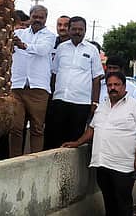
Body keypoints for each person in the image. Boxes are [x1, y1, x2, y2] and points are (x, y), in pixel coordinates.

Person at [62, 71, 136, 216]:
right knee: (109, 204)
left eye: (116, 84)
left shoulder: (135, 107)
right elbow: (92, 129)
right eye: (109, 85)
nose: (112, 88)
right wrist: (77, 143)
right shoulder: (102, 106)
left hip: (123, 167)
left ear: (124, 85)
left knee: (123, 205)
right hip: (102, 164)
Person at [44, 16, 103, 149]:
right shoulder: (61, 48)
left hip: (81, 104)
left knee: (74, 141)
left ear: (85, 31)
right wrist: (51, 96)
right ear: (69, 30)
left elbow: (96, 78)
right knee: (54, 139)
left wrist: (94, 103)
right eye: (74, 29)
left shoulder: (92, 50)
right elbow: (54, 73)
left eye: (80, 29)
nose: (77, 32)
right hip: (59, 100)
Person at [8, 4, 56, 156]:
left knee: (37, 128)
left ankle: (35, 160)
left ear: (45, 19)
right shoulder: (19, 33)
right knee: (15, 127)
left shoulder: (49, 36)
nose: (37, 20)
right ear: (30, 17)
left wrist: (23, 46)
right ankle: (13, 160)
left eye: (41, 17)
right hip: (17, 86)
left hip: (38, 89)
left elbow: (42, 50)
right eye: (35, 17)